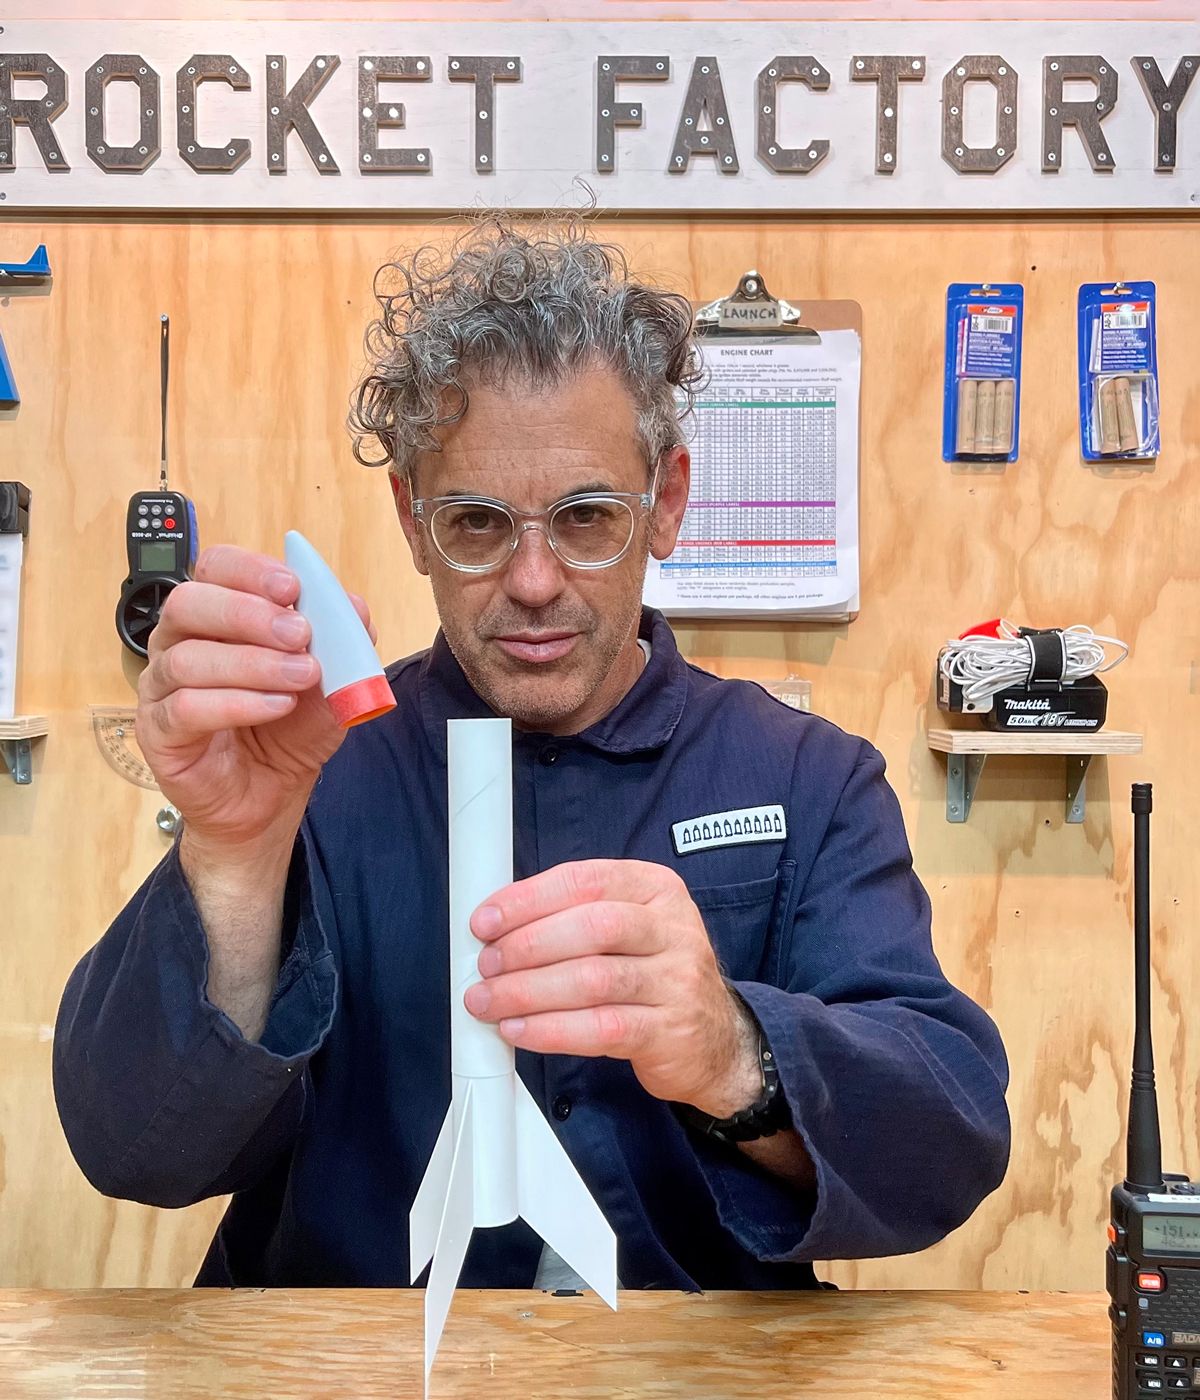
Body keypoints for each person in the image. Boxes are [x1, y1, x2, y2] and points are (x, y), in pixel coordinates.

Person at [54, 216, 1009, 1291]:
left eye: (588, 514)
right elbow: (131, 1147)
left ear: (668, 503)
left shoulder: (805, 777)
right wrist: (231, 853)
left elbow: (951, 1138)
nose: (537, 579)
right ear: (412, 520)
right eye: (476, 522)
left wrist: (733, 1049)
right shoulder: (309, 768)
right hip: (360, 1367)